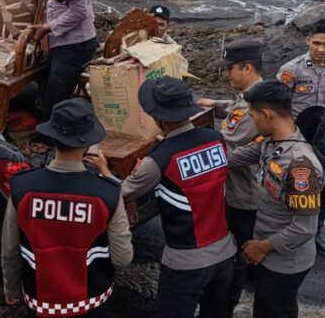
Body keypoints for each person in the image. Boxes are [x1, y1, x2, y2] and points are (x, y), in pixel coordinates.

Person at [91, 77, 234, 318]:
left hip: (186, 264)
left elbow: (123, 192)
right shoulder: (215, 139)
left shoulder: (159, 159)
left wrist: (105, 170)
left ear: (158, 117)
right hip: (225, 253)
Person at [1, 98, 133, 317]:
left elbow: (10, 250)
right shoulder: (107, 192)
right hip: (93, 303)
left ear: (53, 137)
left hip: (40, 303)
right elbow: (122, 258)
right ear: (87, 143)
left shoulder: (22, 187)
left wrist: (12, 289)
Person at [227, 80, 325, 318]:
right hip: (268, 251)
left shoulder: (301, 166)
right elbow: (231, 158)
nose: (252, 121)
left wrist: (261, 247)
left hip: (285, 262)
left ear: (267, 114)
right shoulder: (270, 143)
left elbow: (305, 228)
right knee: (264, 307)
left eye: (252, 116)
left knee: (274, 311)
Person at [196, 39, 264, 314]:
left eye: (230, 69)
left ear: (247, 68)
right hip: (234, 189)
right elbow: (236, 107)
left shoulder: (254, 104)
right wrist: (216, 103)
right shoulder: (251, 95)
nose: (226, 75)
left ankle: (225, 306)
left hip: (240, 194)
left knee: (235, 257)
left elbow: (225, 142)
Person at [276, 19, 325, 258]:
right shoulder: (291, 70)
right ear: (307, 41)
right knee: (289, 182)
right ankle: (285, 233)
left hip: (321, 136)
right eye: (316, 43)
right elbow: (277, 106)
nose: (321, 49)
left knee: (323, 184)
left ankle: (317, 234)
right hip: (293, 135)